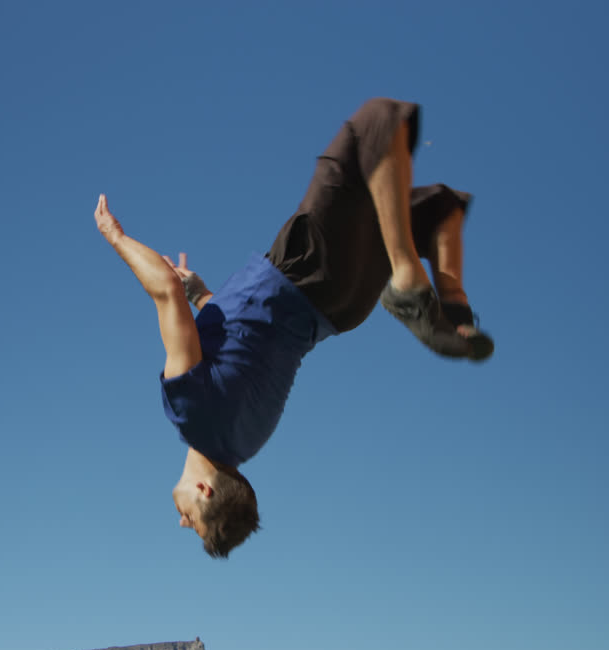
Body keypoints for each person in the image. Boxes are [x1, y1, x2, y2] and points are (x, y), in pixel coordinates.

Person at [93, 97, 493, 558]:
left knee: (431, 210)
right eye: (193, 525)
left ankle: (456, 318)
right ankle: (407, 281)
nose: (180, 519)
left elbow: (249, 341)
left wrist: (201, 294)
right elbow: (162, 287)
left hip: (343, 307)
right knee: (377, 122)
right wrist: (116, 237)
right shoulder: (191, 416)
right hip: (308, 269)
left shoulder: (248, 439)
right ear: (206, 493)